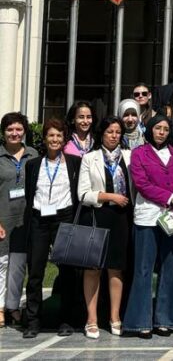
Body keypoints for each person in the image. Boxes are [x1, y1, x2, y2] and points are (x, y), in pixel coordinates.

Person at [125, 115, 173, 338]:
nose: (161, 132)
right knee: (143, 269)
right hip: (147, 218)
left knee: (171, 268)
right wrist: (172, 199)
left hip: (172, 219)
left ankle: (165, 319)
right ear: (150, 130)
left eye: (165, 129)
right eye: (157, 128)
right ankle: (140, 321)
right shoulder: (139, 153)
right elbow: (142, 184)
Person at [22, 119, 82, 338]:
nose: (55, 139)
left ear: (64, 139)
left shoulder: (75, 162)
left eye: (59, 136)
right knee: (35, 271)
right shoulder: (33, 164)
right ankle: (33, 320)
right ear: (44, 139)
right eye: (51, 135)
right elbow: (30, 194)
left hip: (63, 217)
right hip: (39, 219)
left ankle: (66, 319)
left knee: (66, 270)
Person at [77, 117, 133, 339]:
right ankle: (91, 319)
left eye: (118, 132)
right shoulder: (90, 158)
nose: (114, 135)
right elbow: (82, 193)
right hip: (97, 216)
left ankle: (115, 316)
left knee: (116, 268)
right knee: (93, 269)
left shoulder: (129, 157)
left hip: (122, 219)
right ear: (102, 134)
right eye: (110, 131)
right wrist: (109, 197)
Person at [0, 112, 37, 329]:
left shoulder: (32, 155)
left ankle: (12, 306)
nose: (15, 133)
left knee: (17, 266)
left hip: (25, 220)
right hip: (3, 219)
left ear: (24, 131)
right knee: (1, 264)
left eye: (19, 129)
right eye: (10, 130)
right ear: (4, 133)